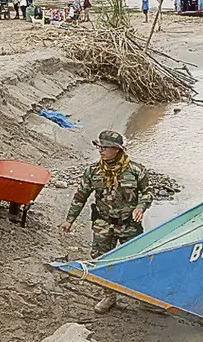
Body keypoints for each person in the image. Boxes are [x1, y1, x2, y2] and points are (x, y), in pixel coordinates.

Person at [60, 130, 153, 314]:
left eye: (105, 147)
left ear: (117, 149)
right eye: (99, 147)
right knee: (101, 260)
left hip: (129, 225)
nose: (100, 150)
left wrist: (140, 207)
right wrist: (69, 220)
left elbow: (148, 193)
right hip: (103, 224)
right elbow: (81, 196)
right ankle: (109, 295)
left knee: (137, 260)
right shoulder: (93, 171)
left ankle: (145, 298)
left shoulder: (136, 171)